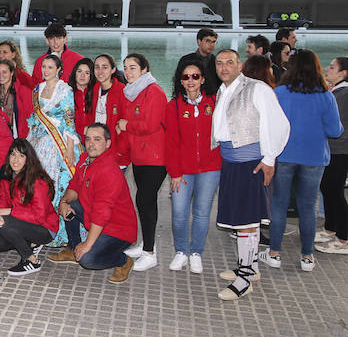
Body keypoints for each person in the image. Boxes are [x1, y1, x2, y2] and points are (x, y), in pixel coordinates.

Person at [212, 49, 289, 300]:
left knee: (246, 221)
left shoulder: (258, 89)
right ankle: (251, 268)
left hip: (252, 163)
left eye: (229, 63)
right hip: (232, 163)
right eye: (220, 63)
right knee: (242, 220)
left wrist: (269, 158)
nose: (224, 67)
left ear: (239, 65)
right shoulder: (223, 91)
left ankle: (244, 279)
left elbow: (278, 124)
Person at [261, 50, 343, 272]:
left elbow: (269, 125)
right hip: (315, 158)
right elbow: (335, 130)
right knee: (308, 207)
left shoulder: (279, 93)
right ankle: (307, 257)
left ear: (292, 68)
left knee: (278, 204)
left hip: (285, 155)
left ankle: (274, 253)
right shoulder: (326, 95)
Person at [48, 123, 138, 284]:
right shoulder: (85, 159)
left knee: (88, 259)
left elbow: (102, 213)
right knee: (70, 207)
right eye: (88, 139)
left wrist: (87, 244)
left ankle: (123, 261)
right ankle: (72, 247)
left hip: (118, 230)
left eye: (97, 139)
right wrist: (64, 202)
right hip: (95, 217)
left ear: (108, 143)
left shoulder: (108, 171)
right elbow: (74, 187)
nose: (91, 143)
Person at [164, 58, 221, 273]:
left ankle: (196, 252)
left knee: (202, 212)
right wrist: (175, 173)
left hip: (210, 168)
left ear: (203, 79)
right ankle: (181, 251)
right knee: (179, 212)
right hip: (183, 170)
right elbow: (171, 142)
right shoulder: (174, 106)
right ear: (180, 81)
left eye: (195, 76)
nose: (191, 80)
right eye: (186, 77)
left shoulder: (214, 103)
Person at [116, 53, 167, 271]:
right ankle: (144, 244)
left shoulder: (154, 92)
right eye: (126, 68)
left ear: (145, 69)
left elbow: (150, 124)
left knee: (146, 202)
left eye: (133, 68)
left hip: (155, 158)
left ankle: (149, 253)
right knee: (143, 202)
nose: (128, 72)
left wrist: (126, 125)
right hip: (139, 156)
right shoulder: (133, 92)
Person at [25, 54, 80, 245]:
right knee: (39, 185)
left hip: (59, 144)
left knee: (59, 184)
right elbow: (34, 117)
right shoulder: (36, 90)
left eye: (50, 67)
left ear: (59, 69)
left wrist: (70, 149)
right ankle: (41, 226)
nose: (46, 71)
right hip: (39, 142)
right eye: (44, 67)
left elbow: (69, 121)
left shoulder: (65, 90)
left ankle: (63, 233)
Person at [0, 139, 58, 276]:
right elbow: (3, 200)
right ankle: (31, 243)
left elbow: (39, 216)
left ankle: (31, 260)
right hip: (22, 223)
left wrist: (10, 212)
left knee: (3, 223)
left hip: (45, 228)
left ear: (28, 159)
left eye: (21, 156)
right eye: (13, 154)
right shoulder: (7, 174)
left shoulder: (37, 181)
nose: (15, 160)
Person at [316, 57, 348, 254]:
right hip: (332, 148)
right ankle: (331, 228)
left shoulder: (343, 94)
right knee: (327, 187)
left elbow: (334, 123)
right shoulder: (336, 91)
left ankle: (344, 237)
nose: (327, 69)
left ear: (343, 73)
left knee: (334, 191)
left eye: (332, 67)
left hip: (340, 149)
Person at [92, 54, 130, 167]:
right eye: (97, 67)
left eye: (105, 67)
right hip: (97, 150)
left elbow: (126, 124)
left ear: (113, 69)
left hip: (116, 154)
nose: (100, 71)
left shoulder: (122, 91)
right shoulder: (94, 89)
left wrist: (120, 151)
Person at [0, 59, 34, 139]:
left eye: (4, 72)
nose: (1, 75)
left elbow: (31, 117)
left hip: (20, 137)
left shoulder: (23, 92)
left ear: (12, 73)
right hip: (1, 136)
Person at [175, 28, 220, 95]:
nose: (211, 45)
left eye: (214, 42)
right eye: (208, 41)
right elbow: (178, 84)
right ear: (199, 42)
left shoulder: (217, 62)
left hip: (212, 101)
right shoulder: (185, 60)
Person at [68, 58, 97, 140]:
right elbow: (62, 120)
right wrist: (81, 130)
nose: (82, 75)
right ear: (75, 73)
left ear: (91, 75)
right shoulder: (67, 93)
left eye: (87, 73)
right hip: (72, 139)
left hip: (93, 138)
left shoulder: (96, 92)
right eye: (79, 71)